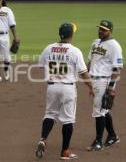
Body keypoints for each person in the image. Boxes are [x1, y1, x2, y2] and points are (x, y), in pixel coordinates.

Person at [35, 23, 94, 160]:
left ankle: (43, 139)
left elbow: (41, 66)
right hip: (67, 88)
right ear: (71, 35)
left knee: (50, 114)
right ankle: (65, 151)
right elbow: (84, 73)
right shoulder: (74, 51)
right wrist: (91, 87)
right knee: (68, 120)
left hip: (52, 87)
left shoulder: (48, 48)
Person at [87, 20, 123, 151]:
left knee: (98, 112)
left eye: (104, 29)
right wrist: (88, 82)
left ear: (110, 31)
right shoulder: (95, 42)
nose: (101, 31)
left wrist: (111, 88)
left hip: (105, 81)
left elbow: (117, 69)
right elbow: (90, 61)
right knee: (104, 110)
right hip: (94, 80)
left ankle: (98, 141)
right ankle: (113, 136)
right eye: (100, 28)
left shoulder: (114, 46)